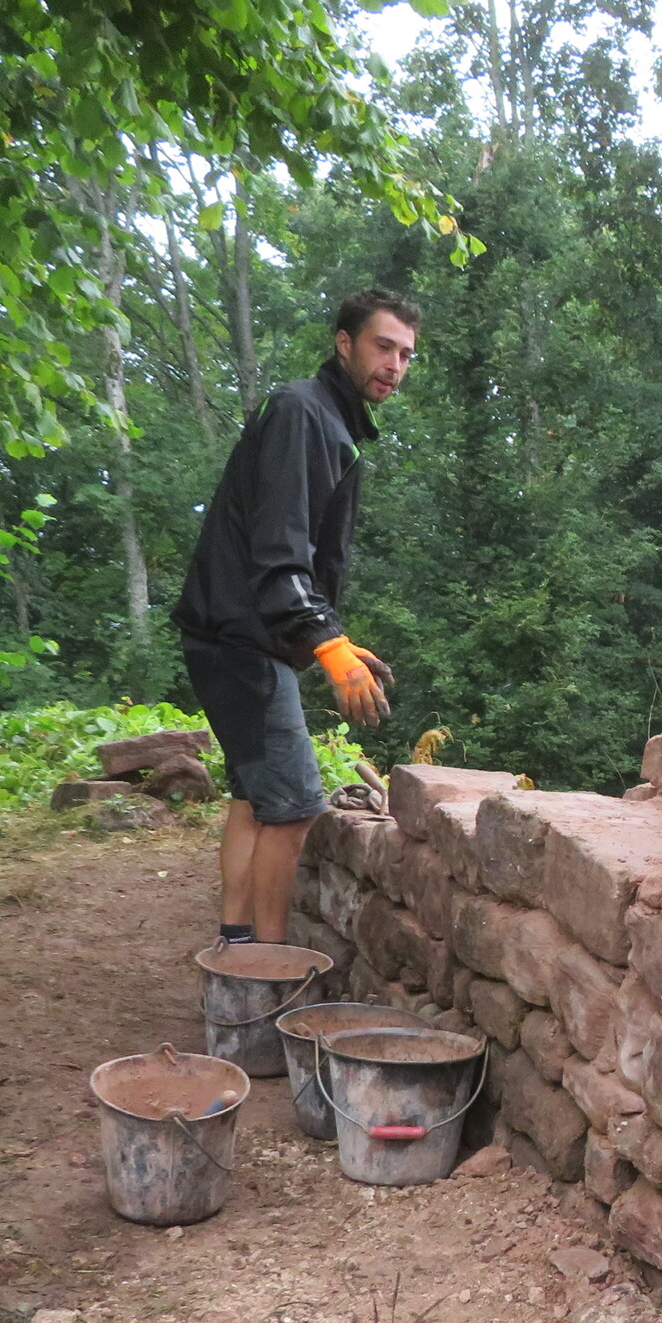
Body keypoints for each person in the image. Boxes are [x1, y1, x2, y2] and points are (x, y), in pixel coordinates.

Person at [172, 288, 417, 946]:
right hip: (243, 640)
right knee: (294, 808)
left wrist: (332, 637)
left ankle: (236, 948)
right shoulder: (304, 414)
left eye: (405, 355)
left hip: (233, 633)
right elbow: (279, 549)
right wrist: (325, 643)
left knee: (254, 799)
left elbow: (295, 550)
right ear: (345, 343)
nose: (394, 365)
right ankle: (269, 968)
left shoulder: (324, 420)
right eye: (383, 347)